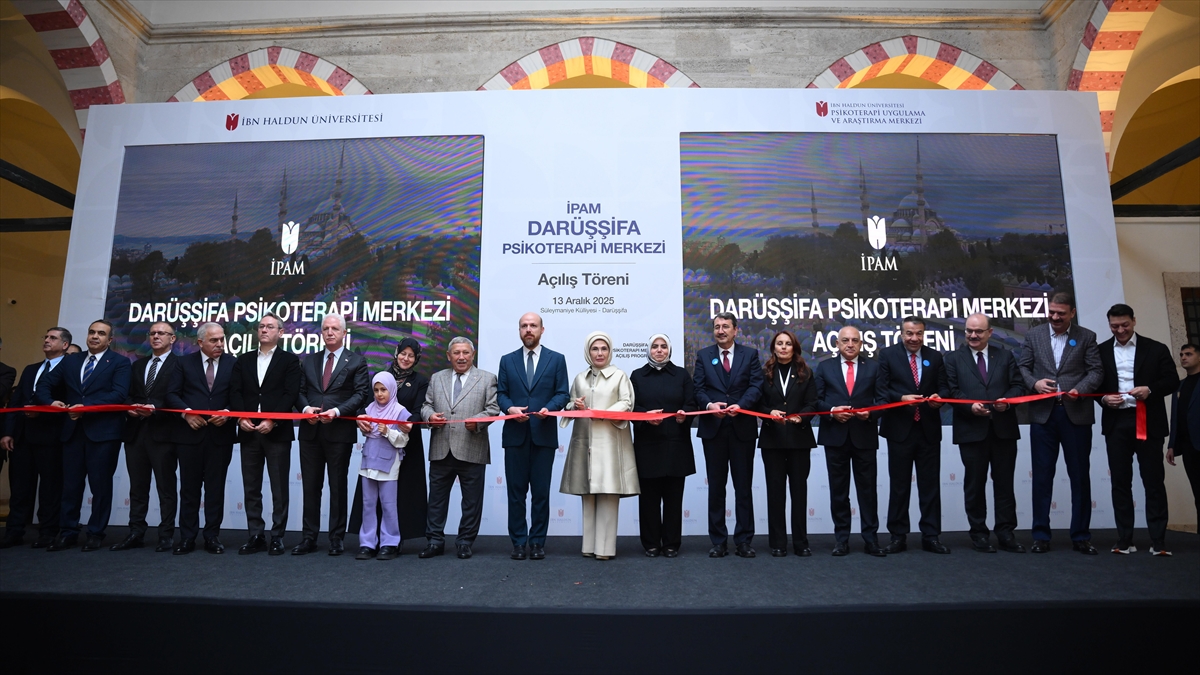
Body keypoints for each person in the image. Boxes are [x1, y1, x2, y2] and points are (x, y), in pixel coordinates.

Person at [1018, 291, 1103, 554]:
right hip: (1043, 416)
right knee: (1042, 477)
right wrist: (1034, 383)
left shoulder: (1086, 336)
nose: (1055, 317)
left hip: (1075, 415)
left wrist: (1080, 388)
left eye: (1061, 313)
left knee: (1080, 477)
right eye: (1052, 312)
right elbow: (1023, 367)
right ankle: (1041, 535)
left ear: (1072, 313)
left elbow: (1097, 370)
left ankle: (1080, 536)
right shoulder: (1034, 335)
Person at [35, 319, 131, 552]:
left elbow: (118, 394)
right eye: (91, 332)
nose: (94, 337)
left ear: (110, 340)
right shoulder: (71, 361)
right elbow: (44, 385)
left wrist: (82, 406)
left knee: (100, 487)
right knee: (71, 486)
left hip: (103, 433)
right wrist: (51, 402)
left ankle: (95, 533)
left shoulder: (120, 362)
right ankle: (67, 532)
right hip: (72, 432)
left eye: (101, 333)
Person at [1097, 304, 1179, 556]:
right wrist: (1102, 399)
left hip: (1148, 421)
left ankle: (1158, 541)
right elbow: (1093, 382)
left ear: (1134, 321)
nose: (1120, 330)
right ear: (1109, 324)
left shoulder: (1155, 348)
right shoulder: (1100, 351)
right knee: (1120, 482)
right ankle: (1124, 540)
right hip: (1116, 422)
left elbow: (1172, 381)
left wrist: (1150, 390)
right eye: (1114, 326)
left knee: (1153, 481)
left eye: (1125, 325)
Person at [944, 313, 1027, 553]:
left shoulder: (1005, 356)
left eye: (978, 331)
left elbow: (1018, 386)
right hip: (971, 431)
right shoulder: (953, 359)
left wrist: (1007, 401)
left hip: (1003, 429)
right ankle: (979, 533)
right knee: (974, 485)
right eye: (969, 330)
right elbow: (951, 391)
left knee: (1004, 484)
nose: (972, 335)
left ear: (989, 332)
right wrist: (969, 407)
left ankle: (1006, 533)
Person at [294, 313, 370, 556]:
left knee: (337, 486)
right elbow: (299, 390)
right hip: (310, 432)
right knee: (311, 487)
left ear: (344, 333)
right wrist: (305, 408)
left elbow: (360, 395)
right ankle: (309, 538)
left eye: (335, 329)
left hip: (339, 432)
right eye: (325, 328)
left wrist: (337, 411)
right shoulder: (308, 360)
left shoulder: (356, 361)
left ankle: (336, 538)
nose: (329, 332)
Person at [560, 331, 639, 560]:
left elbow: (627, 402)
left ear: (610, 351)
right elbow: (570, 405)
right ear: (588, 352)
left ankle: (605, 549)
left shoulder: (620, 376)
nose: (600, 353)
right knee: (588, 494)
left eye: (604, 349)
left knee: (608, 494)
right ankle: (588, 546)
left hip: (611, 444)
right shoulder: (579, 378)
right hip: (584, 444)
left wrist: (602, 413)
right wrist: (573, 405)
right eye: (595, 349)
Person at [497, 312, 569, 561]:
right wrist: (509, 409)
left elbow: (563, 393)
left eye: (533, 326)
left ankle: (537, 542)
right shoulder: (507, 360)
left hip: (543, 435)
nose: (528, 329)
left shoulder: (557, 359)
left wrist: (550, 408)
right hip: (515, 436)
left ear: (542, 329)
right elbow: (501, 394)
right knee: (516, 494)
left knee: (540, 493)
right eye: (524, 326)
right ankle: (518, 543)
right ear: (519, 331)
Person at [420, 337, 499, 559]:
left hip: (472, 447)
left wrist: (479, 421)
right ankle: (434, 541)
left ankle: (465, 541)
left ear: (472, 355)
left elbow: (493, 409)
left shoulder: (487, 378)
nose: (461, 357)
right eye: (456, 353)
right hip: (441, 447)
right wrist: (429, 416)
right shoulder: (437, 378)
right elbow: (426, 405)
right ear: (449, 356)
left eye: (465, 352)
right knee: (436, 500)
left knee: (471, 501)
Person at [876, 316, 949, 554]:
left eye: (918, 333)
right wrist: (901, 399)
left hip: (928, 430)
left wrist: (940, 399)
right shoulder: (887, 355)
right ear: (901, 334)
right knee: (899, 486)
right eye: (909, 333)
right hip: (899, 430)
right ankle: (898, 536)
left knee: (930, 486)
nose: (914, 338)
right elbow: (881, 390)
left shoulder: (935, 356)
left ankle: (931, 535)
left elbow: (945, 387)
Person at [692, 312, 763, 558]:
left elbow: (756, 385)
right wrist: (710, 405)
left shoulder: (750, 355)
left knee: (743, 488)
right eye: (717, 327)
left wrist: (741, 405)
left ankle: (744, 541)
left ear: (735, 330)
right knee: (717, 488)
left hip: (742, 428)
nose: (720, 331)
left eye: (725, 326)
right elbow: (698, 388)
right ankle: (719, 541)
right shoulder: (703, 356)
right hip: (714, 430)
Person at [229, 312, 301, 556]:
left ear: (280, 332)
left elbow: (290, 394)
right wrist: (241, 417)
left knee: (279, 487)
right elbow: (235, 391)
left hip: (276, 431)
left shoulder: (290, 361)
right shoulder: (244, 360)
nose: (264, 330)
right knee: (251, 486)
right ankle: (255, 534)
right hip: (249, 430)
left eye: (270, 327)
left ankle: (277, 536)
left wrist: (273, 419)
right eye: (261, 326)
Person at [349, 338, 430, 549]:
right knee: (371, 497)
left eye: (411, 355)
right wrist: (361, 418)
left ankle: (393, 541)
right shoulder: (380, 377)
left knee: (397, 496)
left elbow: (419, 409)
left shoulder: (420, 380)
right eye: (403, 353)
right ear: (396, 353)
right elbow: (364, 404)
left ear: (416, 359)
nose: (406, 358)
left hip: (407, 441)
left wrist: (409, 423)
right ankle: (369, 541)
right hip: (376, 448)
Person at [165, 322, 235, 555]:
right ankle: (187, 538)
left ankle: (212, 536)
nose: (219, 344)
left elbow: (240, 396)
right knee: (189, 490)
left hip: (220, 436)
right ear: (200, 342)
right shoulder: (183, 363)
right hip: (189, 436)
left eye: (222, 339)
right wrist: (186, 414)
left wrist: (227, 413)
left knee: (215, 490)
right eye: (214, 340)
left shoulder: (233, 364)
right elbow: (171, 394)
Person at [111, 321, 181, 553]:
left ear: (173, 339)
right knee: (137, 487)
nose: (156, 337)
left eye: (162, 333)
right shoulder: (138, 365)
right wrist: (130, 406)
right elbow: (128, 394)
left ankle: (166, 534)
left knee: (166, 487)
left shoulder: (180, 365)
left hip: (163, 433)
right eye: (152, 333)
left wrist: (153, 406)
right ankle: (136, 532)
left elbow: (177, 396)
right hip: (136, 432)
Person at [815, 326, 884, 557]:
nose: (850, 344)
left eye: (855, 340)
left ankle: (871, 540)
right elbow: (816, 400)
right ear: (837, 343)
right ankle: (841, 540)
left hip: (864, 436)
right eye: (845, 340)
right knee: (839, 491)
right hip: (835, 436)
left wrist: (871, 413)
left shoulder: (874, 367)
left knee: (868, 491)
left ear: (861, 344)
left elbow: (882, 400)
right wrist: (833, 410)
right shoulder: (824, 367)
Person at [1, 327, 70, 549]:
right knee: (20, 488)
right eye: (46, 337)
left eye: (53, 338)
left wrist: (44, 411)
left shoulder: (70, 369)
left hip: (51, 436)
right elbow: (16, 401)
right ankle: (14, 531)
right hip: (23, 436)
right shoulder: (31, 369)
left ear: (65, 345)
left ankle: (48, 532)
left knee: (50, 488)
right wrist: (8, 431)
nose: (47, 341)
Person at [630, 334, 696, 558]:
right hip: (648, 445)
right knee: (648, 499)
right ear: (649, 349)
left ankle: (671, 544)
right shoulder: (637, 375)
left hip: (675, 445)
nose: (659, 350)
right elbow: (631, 407)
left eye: (664, 346)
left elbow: (691, 403)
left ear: (669, 350)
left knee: (673, 498)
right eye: (655, 347)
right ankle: (650, 543)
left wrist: (683, 416)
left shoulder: (682, 375)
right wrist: (645, 417)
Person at [756, 330, 818, 557]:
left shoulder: (806, 372)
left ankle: (801, 543)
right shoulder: (764, 373)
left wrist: (802, 416)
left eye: (788, 344)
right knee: (775, 493)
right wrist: (768, 412)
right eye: (779, 343)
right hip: (772, 440)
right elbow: (756, 403)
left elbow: (813, 402)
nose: (783, 347)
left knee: (799, 493)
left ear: (794, 348)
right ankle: (778, 543)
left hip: (799, 439)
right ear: (773, 347)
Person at [354, 372, 412, 561]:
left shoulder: (401, 411)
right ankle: (367, 544)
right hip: (368, 462)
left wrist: (388, 432)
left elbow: (403, 441)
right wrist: (364, 427)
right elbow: (366, 433)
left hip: (389, 463)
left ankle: (389, 543)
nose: (379, 394)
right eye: (376, 390)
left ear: (392, 390)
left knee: (388, 505)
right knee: (368, 504)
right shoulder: (369, 409)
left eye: (383, 390)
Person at [1168, 343, 1200, 519]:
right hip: (1189, 447)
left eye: (1188, 354)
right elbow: (1176, 417)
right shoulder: (1179, 386)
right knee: (1197, 491)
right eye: (1181, 355)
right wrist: (1172, 445)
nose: (1183, 358)